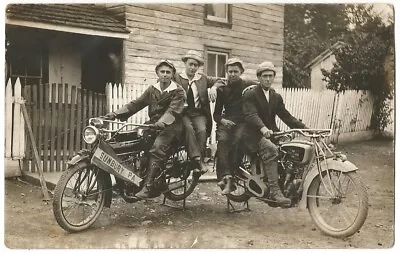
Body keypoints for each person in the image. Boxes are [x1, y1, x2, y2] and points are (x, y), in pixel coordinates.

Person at [105, 60, 186, 199]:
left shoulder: (178, 91)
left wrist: (162, 123)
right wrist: (115, 114)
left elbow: (172, 111)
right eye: (162, 72)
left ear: (172, 74)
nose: (165, 75)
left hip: (172, 126)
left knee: (157, 148)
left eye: (168, 72)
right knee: (132, 141)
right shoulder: (152, 89)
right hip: (153, 124)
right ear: (157, 73)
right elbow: (136, 104)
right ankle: (136, 177)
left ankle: (148, 187)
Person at [242, 61, 307, 207]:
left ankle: (289, 185)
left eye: (270, 76)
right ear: (259, 77)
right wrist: (263, 128)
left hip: (271, 133)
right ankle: (275, 191)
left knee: (293, 150)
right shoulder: (251, 94)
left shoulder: (275, 96)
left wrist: (304, 128)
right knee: (271, 150)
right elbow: (251, 115)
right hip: (253, 134)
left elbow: (286, 116)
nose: (268, 79)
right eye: (264, 76)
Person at [174, 50, 225, 175]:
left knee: (202, 130)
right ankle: (197, 160)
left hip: (198, 112)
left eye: (195, 65)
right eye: (190, 64)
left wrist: (213, 87)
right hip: (183, 113)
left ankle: (200, 160)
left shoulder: (202, 78)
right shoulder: (177, 78)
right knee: (189, 128)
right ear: (185, 63)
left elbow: (220, 81)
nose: (192, 68)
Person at [213, 58, 257, 195]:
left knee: (238, 140)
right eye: (230, 71)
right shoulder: (222, 89)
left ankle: (229, 178)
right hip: (228, 121)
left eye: (235, 71)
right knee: (223, 141)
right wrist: (223, 121)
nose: (232, 74)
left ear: (241, 72)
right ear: (226, 72)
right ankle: (226, 176)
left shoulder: (248, 85)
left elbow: (263, 88)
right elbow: (216, 115)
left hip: (244, 121)